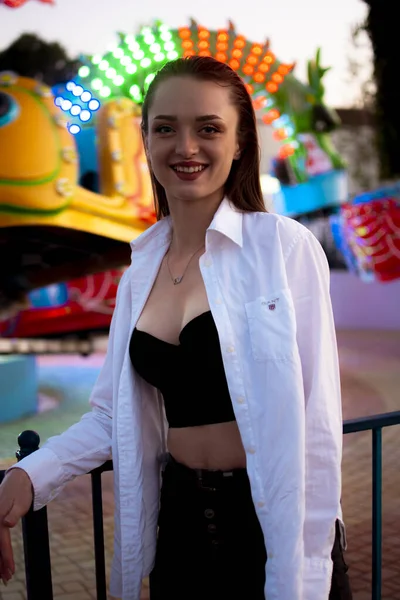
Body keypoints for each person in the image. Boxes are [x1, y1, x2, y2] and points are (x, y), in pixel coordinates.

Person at [0, 56, 352, 600]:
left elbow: (318, 421)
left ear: (239, 143)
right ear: (144, 139)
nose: (185, 147)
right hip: (182, 524)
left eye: (208, 128)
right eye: (166, 128)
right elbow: (112, 414)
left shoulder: (282, 249)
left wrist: (301, 573)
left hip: (272, 525)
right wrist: (31, 473)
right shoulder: (140, 270)